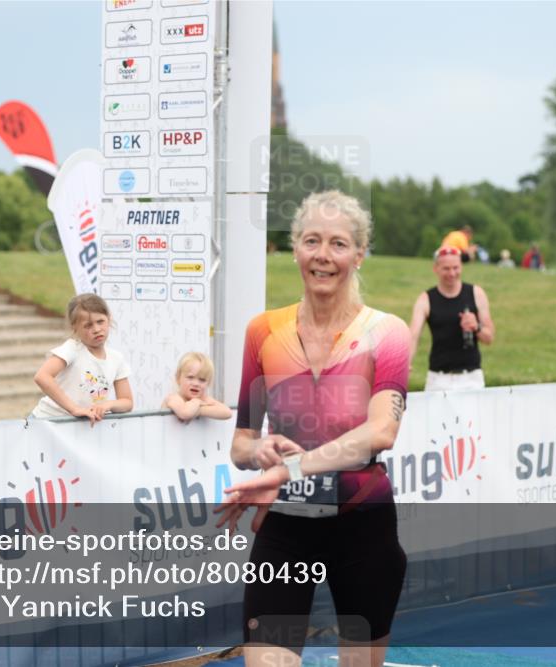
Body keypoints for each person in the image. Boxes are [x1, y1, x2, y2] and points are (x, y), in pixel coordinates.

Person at [217, 191, 410, 667]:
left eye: (339, 244)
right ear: (295, 248)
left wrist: (289, 470)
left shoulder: (387, 333)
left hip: (363, 524)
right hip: (286, 526)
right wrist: (260, 450)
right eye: (312, 241)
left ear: (360, 254)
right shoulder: (262, 330)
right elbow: (240, 442)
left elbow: (382, 432)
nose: (323, 255)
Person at [32, 293, 133, 424]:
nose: (96, 329)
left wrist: (108, 405)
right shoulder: (72, 348)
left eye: (100, 321)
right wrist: (74, 409)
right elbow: (42, 377)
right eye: (88, 325)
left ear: (109, 319)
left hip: (81, 427)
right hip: (47, 423)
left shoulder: (117, 358)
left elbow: (127, 402)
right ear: (75, 327)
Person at [408, 245, 495, 391]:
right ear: (436, 268)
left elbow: (489, 338)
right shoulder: (426, 299)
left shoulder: (476, 293)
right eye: (446, 269)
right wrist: (405, 364)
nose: (452, 273)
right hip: (438, 379)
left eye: (456, 267)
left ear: (461, 266)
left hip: (471, 378)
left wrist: (476, 326)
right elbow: (413, 336)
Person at [162, 352, 232, 422]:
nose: (196, 384)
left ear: (208, 383)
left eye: (202, 380)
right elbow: (185, 413)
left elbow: (227, 412)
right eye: (190, 377)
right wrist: (196, 402)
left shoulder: (203, 399)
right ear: (178, 378)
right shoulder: (173, 398)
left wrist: (199, 411)